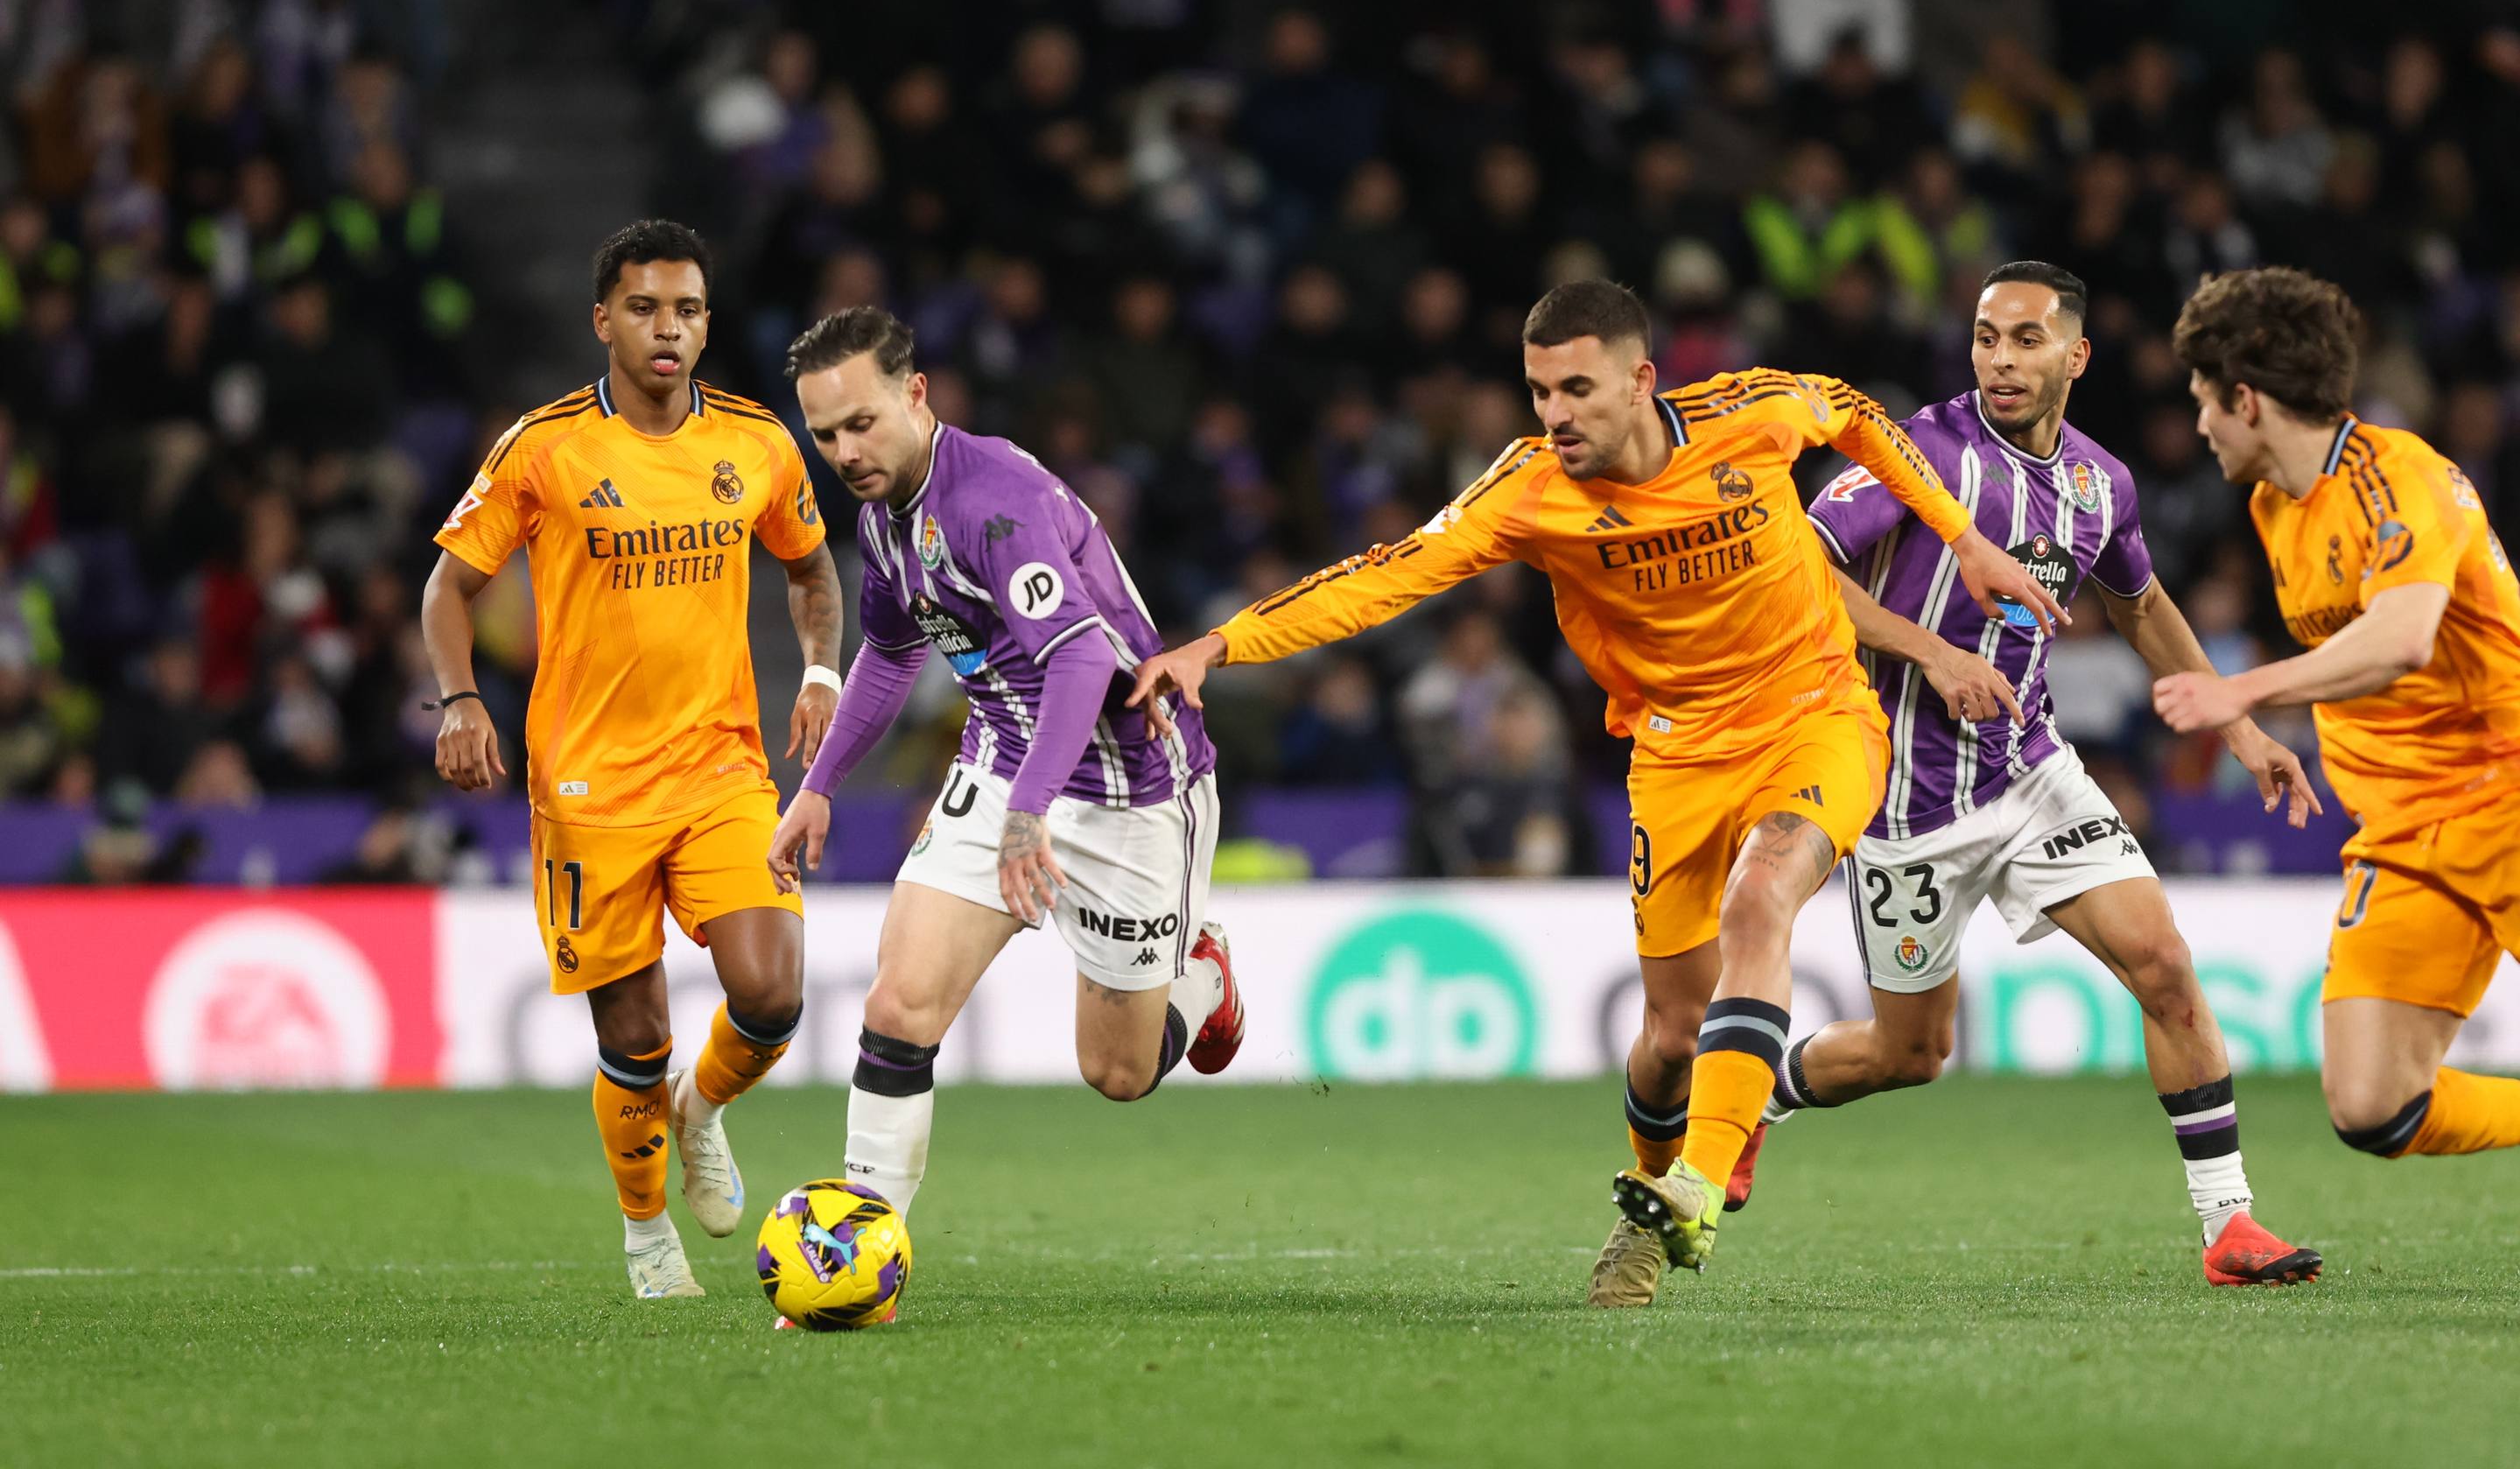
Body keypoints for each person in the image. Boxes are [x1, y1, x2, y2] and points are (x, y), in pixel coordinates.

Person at [1126, 278, 2066, 1306]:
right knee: (1669, 1038)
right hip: (1672, 756)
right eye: (1538, 393)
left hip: (1815, 715)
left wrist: (1964, 539)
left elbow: (1854, 410)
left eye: (1576, 388)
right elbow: (1380, 577)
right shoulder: (1529, 492)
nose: (1554, 416)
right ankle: (1648, 1206)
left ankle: (1699, 1186)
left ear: (1639, 379)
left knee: (1764, 896)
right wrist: (1219, 645)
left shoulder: (1746, 416)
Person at [1779, 261, 2323, 1287]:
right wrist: (1933, 655)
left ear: (2074, 356)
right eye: (1986, 336)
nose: (1999, 358)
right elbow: (1799, 569)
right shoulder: (1915, 453)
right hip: (1905, 797)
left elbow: (2139, 603)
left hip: (2031, 772)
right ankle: (1764, 1092)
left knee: (2161, 964)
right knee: (1908, 1054)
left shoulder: (2097, 482)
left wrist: (2238, 722)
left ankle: (2227, 1226)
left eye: (2025, 340)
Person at [423, 221, 844, 1301]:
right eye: (648, 308)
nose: (670, 329)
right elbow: (447, 589)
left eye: (690, 310)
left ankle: (700, 1114)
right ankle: (646, 1235)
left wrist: (818, 674)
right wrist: (462, 697)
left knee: (771, 993)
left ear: (708, 324)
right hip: (588, 785)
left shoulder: (757, 442)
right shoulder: (545, 445)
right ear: (603, 319)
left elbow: (809, 568)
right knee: (636, 1034)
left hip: (719, 769)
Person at [765, 306, 1243, 1234]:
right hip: (1001, 760)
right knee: (899, 1003)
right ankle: (862, 1241)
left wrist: (1031, 816)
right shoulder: (881, 521)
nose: (845, 450)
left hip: (1128, 782)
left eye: (861, 422)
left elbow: (1076, 663)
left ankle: (1204, 977)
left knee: (1117, 1073)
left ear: (914, 393)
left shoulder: (992, 500)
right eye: (824, 434)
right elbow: (893, 652)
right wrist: (818, 784)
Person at [2155, 267, 2520, 1169]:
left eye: (2203, 400)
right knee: (2371, 1105)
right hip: (2402, 830)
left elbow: (2400, 636)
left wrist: (2241, 693)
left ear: (2244, 399)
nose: (2198, 424)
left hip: (2504, 792)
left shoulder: (2399, 477)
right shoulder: (2270, 504)